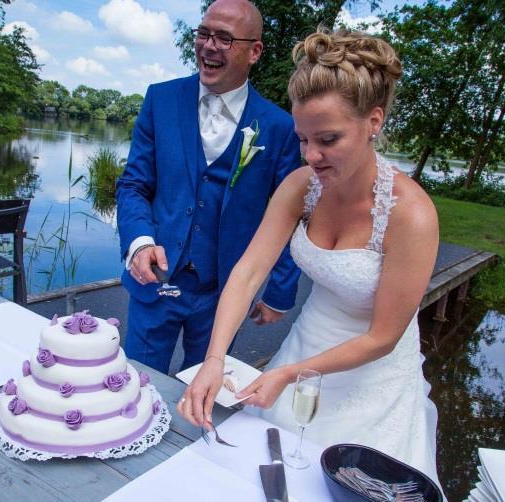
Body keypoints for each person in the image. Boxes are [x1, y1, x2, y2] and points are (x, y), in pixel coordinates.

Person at [178, 28, 443, 488]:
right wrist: (215, 357)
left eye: (328, 139)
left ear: (374, 121)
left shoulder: (412, 215)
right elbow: (248, 272)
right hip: (305, 347)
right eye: (303, 139)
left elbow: (382, 337)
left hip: (371, 378)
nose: (311, 155)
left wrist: (286, 373)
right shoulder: (302, 186)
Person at [116, 0, 302, 374]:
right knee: (135, 382)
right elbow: (134, 184)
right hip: (157, 283)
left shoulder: (279, 127)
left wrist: (280, 292)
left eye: (224, 38)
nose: (209, 45)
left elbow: (293, 211)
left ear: (255, 51)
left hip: (224, 292)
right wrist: (139, 242)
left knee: (202, 394)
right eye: (203, 33)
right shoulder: (160, 100)